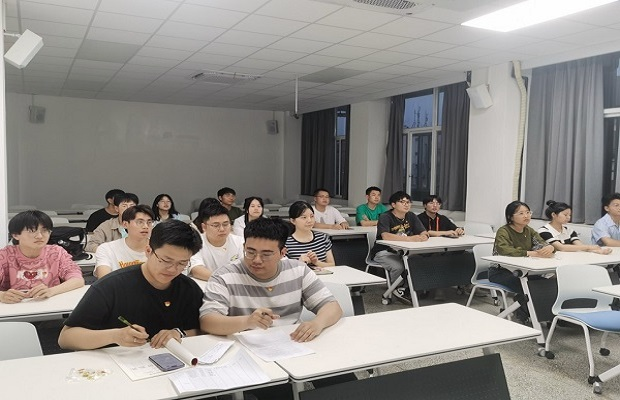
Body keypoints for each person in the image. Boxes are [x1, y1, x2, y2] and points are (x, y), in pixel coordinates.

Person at [200, 218, 344, 400]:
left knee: (343, 381)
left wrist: (317, 323)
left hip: (294, 345)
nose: (256, 260)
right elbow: (208, 321)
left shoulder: (298, 270)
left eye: (266, 254)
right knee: (281, 392)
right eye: (250, 252)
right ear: (244, 246)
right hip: (250, 355)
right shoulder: (224, 276)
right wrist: (247, 321)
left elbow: (332, 306)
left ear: (283, 252)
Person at [58, 219, 203, 350]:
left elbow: (201, 328)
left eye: (182, 263)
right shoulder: (112, 286)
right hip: (115, 363)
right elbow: (66, 338)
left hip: (167, 362)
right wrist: (115, 336)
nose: (173, 269)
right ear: (148, 251)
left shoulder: (188, 289)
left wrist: (178, 333)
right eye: (166, 260)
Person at [489, 201, 555, 323]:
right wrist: (529, 253)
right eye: (521, 213)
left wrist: (550, 247)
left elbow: (542, 243)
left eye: (528, 212)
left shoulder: (528, 230)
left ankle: (547, 315)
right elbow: (504, 250)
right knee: (532, 287)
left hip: (523, 271)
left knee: (547, 283)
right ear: (510, 217)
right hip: (500, 272)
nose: (526, 216)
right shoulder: (504, 231)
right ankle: (524, 312)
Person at [0, 210, 84, 304]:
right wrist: (2, 295)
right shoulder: (5, 255)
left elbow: (77, 279)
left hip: (50, 306)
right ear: (15, 235)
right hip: (13, 307)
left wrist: (51, 291)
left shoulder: (56, 252)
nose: (40, 236)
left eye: (45, 230)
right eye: (32, 231)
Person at [370, 191, 429, 303]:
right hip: (384, 252)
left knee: (420, 261)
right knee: (399, 267)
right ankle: (398, 289)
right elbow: (385, 236)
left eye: (408, 202)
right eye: (402, 202)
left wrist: (423, 236)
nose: (406, 204)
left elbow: (423, 232)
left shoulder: (411, 216)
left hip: (404, 251)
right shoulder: (385, 217)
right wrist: (410, 239)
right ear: (393, 204)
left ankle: (412, 288)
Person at [93, 205, 155, 279]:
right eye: (140, 222)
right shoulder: (107, 249)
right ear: (125, 224)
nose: (146, 226)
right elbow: (104, 281)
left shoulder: (159, 248)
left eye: (149, 222)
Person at [187, 203, 244, 281]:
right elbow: (196, 269)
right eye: (216, 225)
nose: (222, 229)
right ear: (204, 227)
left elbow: (246, 267)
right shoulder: (196, 242)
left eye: (225, 224)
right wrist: (222, 279)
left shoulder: (240, 241)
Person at [540, 200, 611, 254]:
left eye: (570, 215)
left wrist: (597, 251)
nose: (568, 217)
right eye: (565, 215)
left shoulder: (569, 231)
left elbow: (580, 246)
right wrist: (589, 247)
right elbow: (561, 247)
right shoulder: (544, 230)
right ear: (553, 215)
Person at [286, 201, 336, 267]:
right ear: (293, 221)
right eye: (304, 217)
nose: (309, 220)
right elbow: (283, 269)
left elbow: (332, 265)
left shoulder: (323, 238)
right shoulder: (286, 242)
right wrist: (300, 263)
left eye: (312, 216)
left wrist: (316, 262)